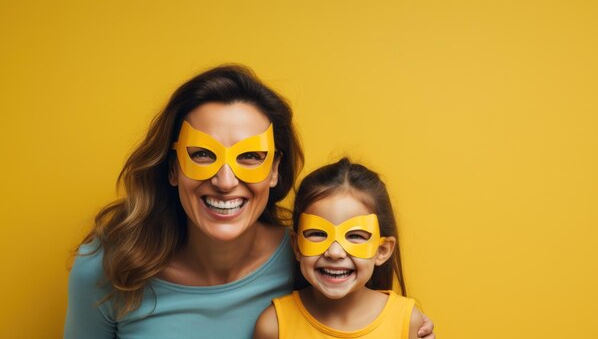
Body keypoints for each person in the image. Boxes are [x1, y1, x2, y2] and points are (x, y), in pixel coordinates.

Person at [64, 65, 435, 339]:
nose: (226, 182)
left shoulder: (314, 257)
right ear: (173, 167)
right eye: (203, 155)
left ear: (275, 171)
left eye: (250, 158)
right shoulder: (107, 267)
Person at [254, 158, 428, 338]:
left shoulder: (407, 321)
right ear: (297, 246)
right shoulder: (273, 326)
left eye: (355, 236)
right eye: (318, 234)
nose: (335, 253)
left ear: (382, 250)